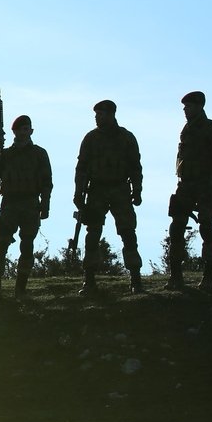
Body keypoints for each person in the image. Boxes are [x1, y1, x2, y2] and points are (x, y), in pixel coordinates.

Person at [74, 99, 144, 294]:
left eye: (101, 114)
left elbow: (135, 166)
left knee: (128, 233)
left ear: (111, 114)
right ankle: (89, 280)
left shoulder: (126, 137)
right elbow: (81, 167)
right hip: (96, 190)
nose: (97, 117)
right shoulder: (91, 138)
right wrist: (78, 193)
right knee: (92, 234)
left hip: (120, 188)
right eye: (96, 114)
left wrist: (137, 190)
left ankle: (136, 279)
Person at [0, 115, 52, 301]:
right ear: (14, 132)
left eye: (26, 129)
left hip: (30, 203)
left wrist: (45, 205)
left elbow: (47, 181)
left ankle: (21, 290)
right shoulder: (6, 154)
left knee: (27, 246)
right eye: (20, 129)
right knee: (0, 245)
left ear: (31, 131)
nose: (23, 133)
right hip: (9, 204)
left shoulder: (39, 154)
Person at [165, 92, 212, 292]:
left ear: (200, 106)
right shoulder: (186, 130)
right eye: (185, 107)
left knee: (207, 228)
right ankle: (176, 277)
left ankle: (208, 278)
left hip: (205, 185)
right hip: (185, 185)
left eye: (189, 106)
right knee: (176, 228)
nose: (185, 110)